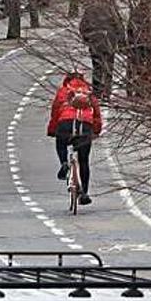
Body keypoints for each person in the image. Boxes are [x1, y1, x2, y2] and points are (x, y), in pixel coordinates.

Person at [48, 72, 103, 206]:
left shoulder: (63, 92)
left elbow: (55, 112)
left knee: (61, 143)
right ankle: (84, 192)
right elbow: (96, 114)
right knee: (83, 161)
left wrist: (52, 130)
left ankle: (64, 163)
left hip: (65, 124)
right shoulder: (89, 92)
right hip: (85, 125)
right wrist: (96, 131)